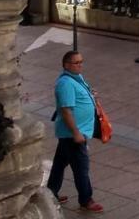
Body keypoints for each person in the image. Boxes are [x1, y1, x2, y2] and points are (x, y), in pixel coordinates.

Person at [46, 51, 104, 213]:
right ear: (66, 65)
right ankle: (86, 199)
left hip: (72, 134)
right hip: (73, 135)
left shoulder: (76, 78)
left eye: (81, 62)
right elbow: (66, 110)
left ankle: (51, 193)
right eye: (76, 63)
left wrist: (91, 96)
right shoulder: (65, 83)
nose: (80, 65)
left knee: (59, 164)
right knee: (81, 168)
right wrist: (76, 133)